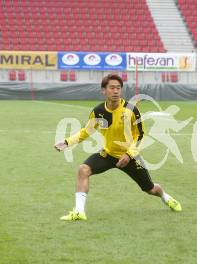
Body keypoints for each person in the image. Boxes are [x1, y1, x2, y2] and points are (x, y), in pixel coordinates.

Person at [54, 73, 182, 221]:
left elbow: (140, 135)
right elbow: (86, 131)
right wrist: (67, 142)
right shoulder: (98, 111)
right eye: (112, 88)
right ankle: (79, 212)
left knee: (150, 189)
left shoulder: (131, 109)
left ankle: (166, 197)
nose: (115, 91)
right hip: (108, 154)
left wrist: (129, 154)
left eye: (118, 88)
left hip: (131, 157)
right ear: (104, 90)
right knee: (83, 170)